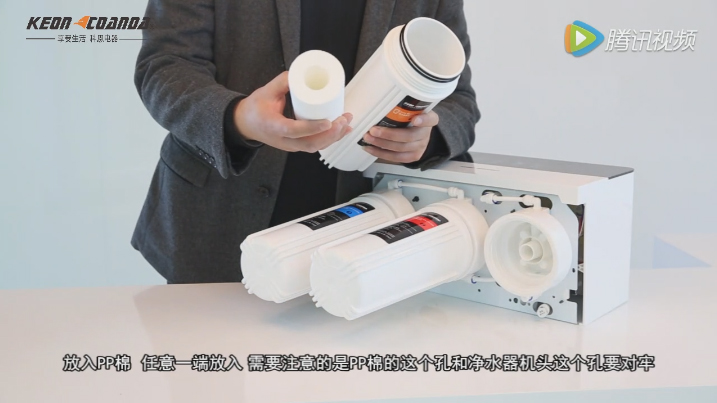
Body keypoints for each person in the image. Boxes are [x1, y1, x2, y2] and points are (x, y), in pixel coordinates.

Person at [131, 0, 480, 284]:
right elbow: (164, 66)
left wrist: (426, 137)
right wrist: (238, 118)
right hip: (219, 222)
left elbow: (459, 102)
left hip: (369, 241)